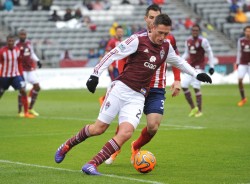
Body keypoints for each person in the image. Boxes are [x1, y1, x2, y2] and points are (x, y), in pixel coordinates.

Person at [54, 14, 212, 175]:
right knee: (98, 128)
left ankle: (92, 164)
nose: (163, 37)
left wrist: (197, 74)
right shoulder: (137, 40)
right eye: (160, 33)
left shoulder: (166, 46)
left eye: (166, 34)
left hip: (138, 96)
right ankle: (67, 145)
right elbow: (112, 54)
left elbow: (179, 61)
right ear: (153, 28)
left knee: (126, 133)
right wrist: (95, 74)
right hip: (121, 88)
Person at [105, 3, 182, 165]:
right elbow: (122, 58)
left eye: (157, 17)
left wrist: (177, 79)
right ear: (146, 19)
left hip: (156, 87)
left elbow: (176, 59)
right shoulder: (137, 38)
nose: (153, 21)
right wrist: (121, 78)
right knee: (124, 123)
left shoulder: (168, 38)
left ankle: (136, 146)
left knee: (153, 126)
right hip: (134, 86)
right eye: (151, 18)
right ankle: (116, 148)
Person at [181, 24, 214, 117]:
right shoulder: (188, 40)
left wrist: (211, 66)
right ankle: (193, 108)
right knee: (183, 85)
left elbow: (209, 52)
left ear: (199, 31)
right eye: (193, 30)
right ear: (191, 31)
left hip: (199, 67)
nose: (194, 32)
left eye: (196, 30)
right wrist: (179, 61)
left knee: (196, 87)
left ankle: (199, 111)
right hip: (190, 67)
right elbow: (186, 53)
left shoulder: (203, 41)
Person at [0, 34, 35, 118]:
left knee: (23, 90)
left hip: (16, 75)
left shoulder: (17, 50)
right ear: (7, 42)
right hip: (4, 76)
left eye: (12, 41)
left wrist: (21, 75)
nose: (11, 43)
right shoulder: (2, 51)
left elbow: (19, 63)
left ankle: (26, 113)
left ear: (14, 42)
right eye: (9, 41)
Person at [15, 29, 42, 117]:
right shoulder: (16, 44)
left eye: (24, 34)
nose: (23, 36)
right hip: (21, 69)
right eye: (21, 34)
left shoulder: (28, 43)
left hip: (30, 69)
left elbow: (32, 53)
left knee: (37, 87)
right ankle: (20, 111)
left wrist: (37, 61)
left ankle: (30, 108)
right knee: (22, 90)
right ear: (19, 35)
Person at [99, 25, 125, 105]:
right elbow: (107, 53)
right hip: (113, 67)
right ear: (116, 32)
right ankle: (104, 99)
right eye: (119, 32)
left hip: (120, 67)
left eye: (121, 32)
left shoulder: (122, 42)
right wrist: (109, 64)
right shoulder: (112, 41)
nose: (120, 33)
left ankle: (112, 102)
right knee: (115, 84)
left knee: (118, 85)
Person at [235, 25, 250, 106]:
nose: (248, 33)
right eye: (247, 31)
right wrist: (237, 63)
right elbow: (238, 52)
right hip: (243, 63)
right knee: (240, 80)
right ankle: (243, 98)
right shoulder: (241, 41)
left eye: (249, 31)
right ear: (244, 32)